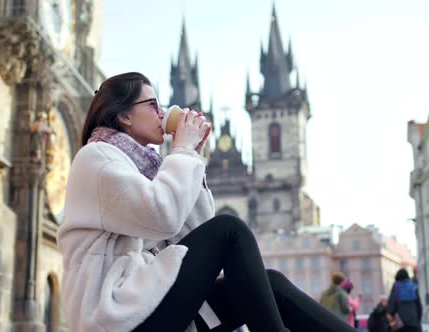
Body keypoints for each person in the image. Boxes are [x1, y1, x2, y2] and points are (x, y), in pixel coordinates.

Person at [56, 72, 357, 332]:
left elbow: (195, 230)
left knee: (272, 284)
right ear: (124, 115)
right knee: (230, 229)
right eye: (152, 105)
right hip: (115, 315)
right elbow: (164, 216)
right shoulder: (97, 158)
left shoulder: (145, 166)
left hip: (144, 301)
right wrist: (182, 150)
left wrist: (193, 156)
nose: (162, 113)